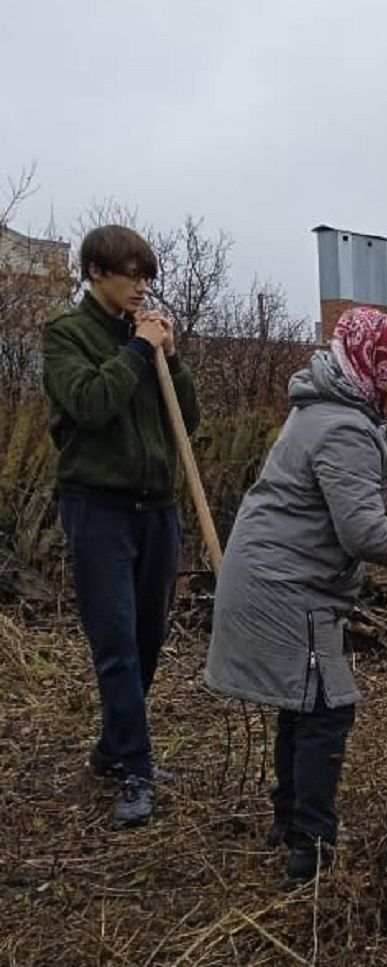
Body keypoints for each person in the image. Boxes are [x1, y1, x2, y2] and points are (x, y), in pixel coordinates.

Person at [204, 307, 387, 883]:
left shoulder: (328, 409)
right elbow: (362, 532)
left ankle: (290, 822)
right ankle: (311, 850)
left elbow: (343, 470)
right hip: (287, 587)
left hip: (270, 574)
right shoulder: (342, 427)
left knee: (304, 702)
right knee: (328, 710)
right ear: (372, 367)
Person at [42, 225, 197, 826]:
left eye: (147, 275)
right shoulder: (66, 336)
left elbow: (187, 418)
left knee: (148, 638)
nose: (141, 286)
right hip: (98, 507)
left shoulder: (148, 339)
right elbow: (90, 404)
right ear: (95, 273)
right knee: (116, 646)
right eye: (130, 274)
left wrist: (172, 359)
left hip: (156, 506)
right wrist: (137, 352)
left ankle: (112, 747)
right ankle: (135, 766)